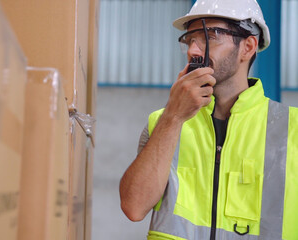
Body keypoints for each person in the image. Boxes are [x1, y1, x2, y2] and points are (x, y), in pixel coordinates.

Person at [119, 0, 298, 239]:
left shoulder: (292, 129)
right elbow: (134, 207)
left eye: (210, 36)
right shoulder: (162, 122)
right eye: (190, 39)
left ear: (248, 47)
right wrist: (173, 116)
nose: (194, 50)